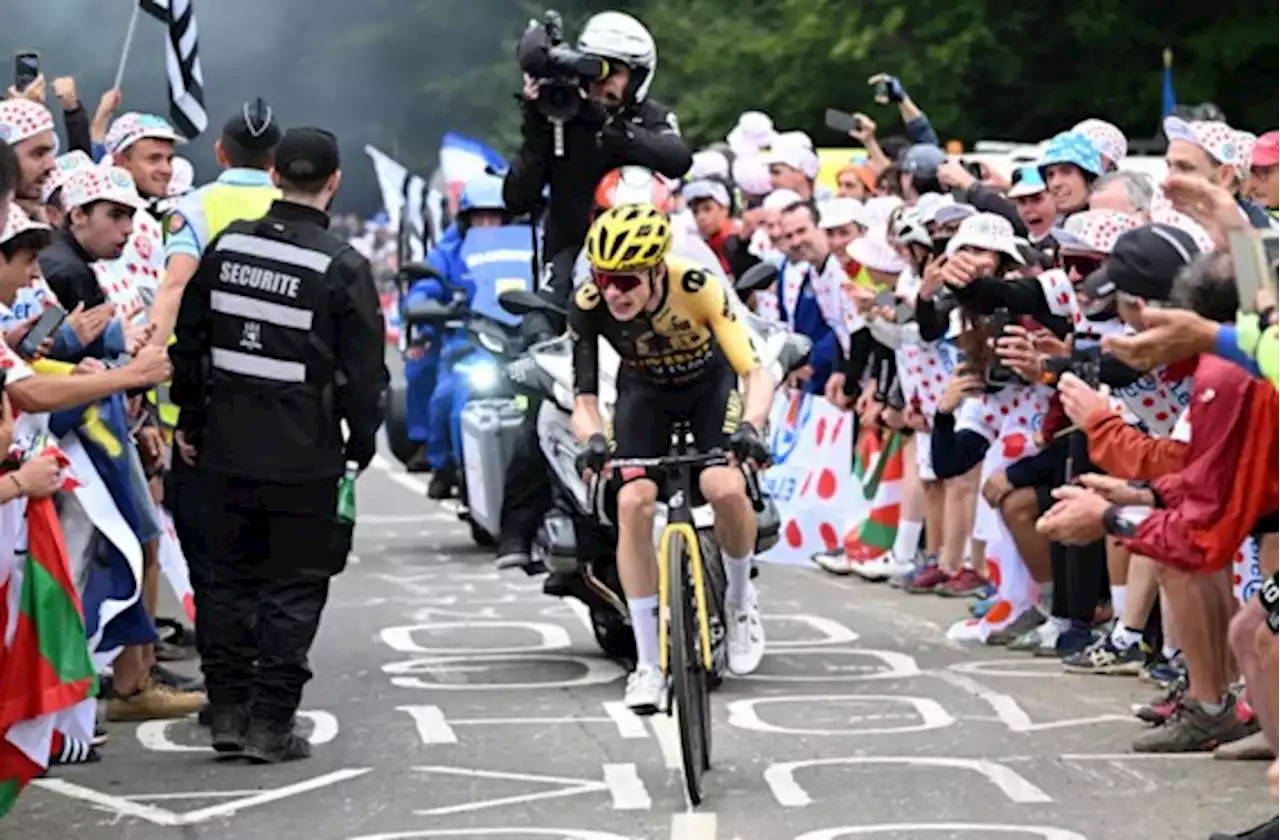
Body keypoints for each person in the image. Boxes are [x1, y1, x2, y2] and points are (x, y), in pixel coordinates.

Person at [169, 127, 389, 762]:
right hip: (305, 455)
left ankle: (229, 714)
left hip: (223, 449)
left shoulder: (225, 247)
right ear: (334, 181)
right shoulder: (342, 266)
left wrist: (190, 421)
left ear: (273, 177)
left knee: (225, 582)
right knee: (294, 586)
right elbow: (365, 373)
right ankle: (271, 724)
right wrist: (361, 443)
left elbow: (190, 344)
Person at [568, 203, 774, 712]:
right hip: (645, 394)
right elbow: (585, 400)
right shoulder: (589, 302)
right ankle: (647, 663)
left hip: (710, 388)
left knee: (722, 488)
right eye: (605, 278)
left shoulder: (697, 284)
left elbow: (755, 371)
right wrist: (594, 441)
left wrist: (751, 426)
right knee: (633, 501)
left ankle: (741, 600)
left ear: (658, 268)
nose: (614, 291)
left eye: (626, 281)